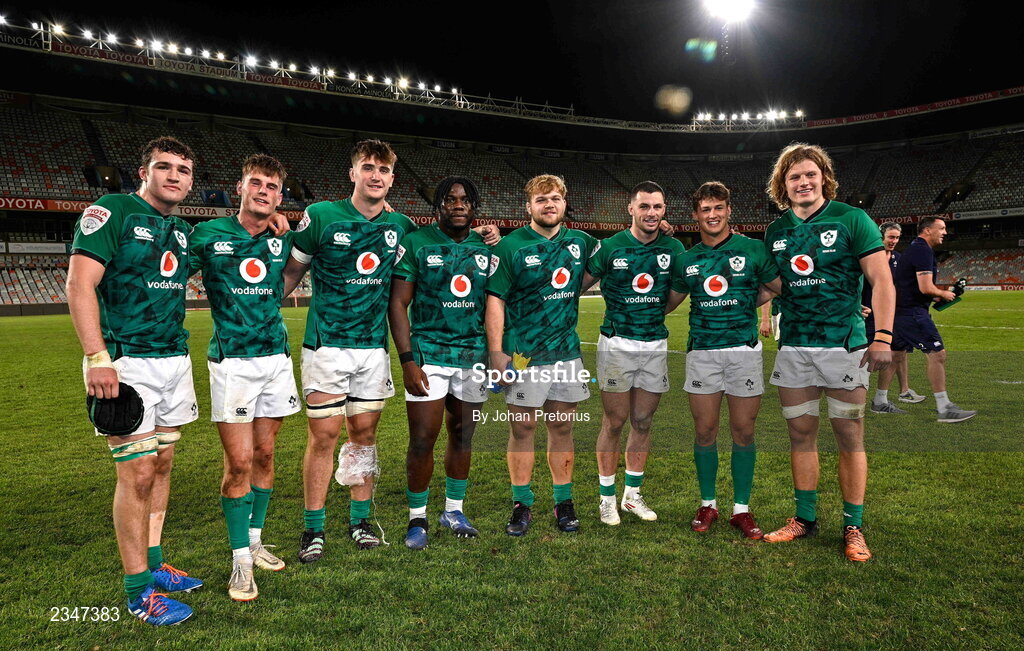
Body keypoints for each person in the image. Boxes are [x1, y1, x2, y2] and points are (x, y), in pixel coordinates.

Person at [67, 136, 203, 625]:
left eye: (183, 170)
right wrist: (97, 356)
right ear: (143, 171)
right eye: (164, 167)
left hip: (173, 359)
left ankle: (155, 561)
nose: (174, 176)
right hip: (127, 363)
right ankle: (137, 591)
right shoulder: (113, 210)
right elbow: (80, 284)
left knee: (162, 464)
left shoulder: (181, 230)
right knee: (137, 472)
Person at [761, 143, 894, 562]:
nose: (803, 182)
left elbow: (882, 282)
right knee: (800, 435)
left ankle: (853, 526)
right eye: (794, 177)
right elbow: (773, 284)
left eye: (809, 175)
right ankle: (804, 518)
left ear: (824, 178)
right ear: (783, 185)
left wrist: (884, 337)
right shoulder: (776, 231)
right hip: (795, 348)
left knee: (849, 436)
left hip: (845, 347)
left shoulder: (851, 219)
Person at [282, 139, 415, 556]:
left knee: (364, 435)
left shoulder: (402, 226)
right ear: (353, 173)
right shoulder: (320, 216)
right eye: (368, 167)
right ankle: (313, 528)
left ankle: (360, 522)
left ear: (392, 178)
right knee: (323, 436)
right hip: (327, 347)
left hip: (373, 349)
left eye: (384, 170)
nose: (376, 176)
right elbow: (290, 273)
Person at [189, 154, 300, 601]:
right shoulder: (207, 234)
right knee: (237, 463)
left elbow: (290, 276)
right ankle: (239, 561)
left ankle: (255, 542)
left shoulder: (281, 238)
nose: (264, 191)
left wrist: (290, 233)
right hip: (232, 361)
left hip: (276, 358)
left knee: (266, 456)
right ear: (239, 187)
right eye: (256, 183)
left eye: (272, 187)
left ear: (279, 195)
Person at [485, 174, 599, 536]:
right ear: (529, 206)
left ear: (565, 203)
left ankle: (563, 502)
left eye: (555, 198)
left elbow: (623, 251)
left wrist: (665, 231)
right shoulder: (511, 247)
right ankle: (522, 504)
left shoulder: (582, 242)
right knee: (523, 428)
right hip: (523, 354)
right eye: (541, 200)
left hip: (566, 352)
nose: (548, 205)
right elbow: (495, 299)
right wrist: (496, 352)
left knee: (562, 427)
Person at [674, 182, 781, 539]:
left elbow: (779, 285)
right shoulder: (687, 260)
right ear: (695, 215)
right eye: (705, 209)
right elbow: (667, 301)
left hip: (743, 352)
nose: (713, 214)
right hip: (702, 353)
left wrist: (750, 302)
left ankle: (741, 509)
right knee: (705, 431)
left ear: (729, 210)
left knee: (743, 432)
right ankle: (708, 503)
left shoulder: (752, 249)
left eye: (718, 207)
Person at [389, 177, 491, 549]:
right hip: (429, 354)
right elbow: (398, 304)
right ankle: (418, 518)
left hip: (473, 356)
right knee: (422, 438)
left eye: (465, 199)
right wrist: (408, 361)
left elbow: (497, 306)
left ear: (475, 208)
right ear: (439, 207)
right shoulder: (416, 243)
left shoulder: (487, 248)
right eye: (450, 199)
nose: (458, 204)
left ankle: (453, 509)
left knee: (463, 434)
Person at [582, 181, 685, 525]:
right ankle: (606, 498)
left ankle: (632, 496)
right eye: (645, 207)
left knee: (643, 421)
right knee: (614, 422)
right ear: (630, 209)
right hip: (617, 345)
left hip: (654, 344)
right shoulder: (610, 247)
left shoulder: (674, 247)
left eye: (657, 207)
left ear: (664, 209)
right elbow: (576, 284)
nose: (651, 213)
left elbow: (676, 294)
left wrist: (653, 311)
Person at [891, 217, 977, 422]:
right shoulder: (922, 250)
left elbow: (916, 287)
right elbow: (924, 288)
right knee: (937, 354)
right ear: (927, 230)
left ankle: (880, 399)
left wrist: (937, 296)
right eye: (942, 228)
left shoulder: (916, 248)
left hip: (901, 312)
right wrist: (943, 294)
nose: (945, 232)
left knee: (894, 355)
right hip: (911, 313)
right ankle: (944, 407)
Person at [863, 222, 926, 413]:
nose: (894, 241)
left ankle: (881, 399)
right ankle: (853, 395)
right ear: (880, 236)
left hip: (891, 316)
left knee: (896, 353)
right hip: (866, 315)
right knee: (859, 359)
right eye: (890, 237)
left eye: (897, 238)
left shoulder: (899, 259)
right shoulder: (867, 257)